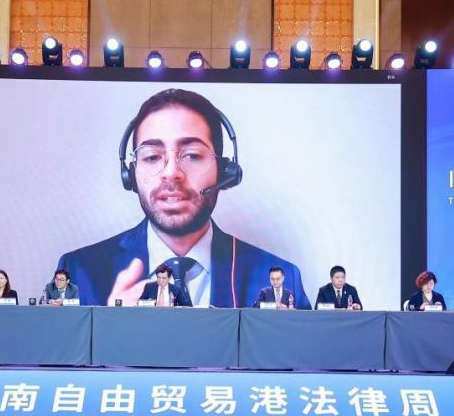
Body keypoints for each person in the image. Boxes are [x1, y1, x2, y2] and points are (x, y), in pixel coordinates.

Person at [56, 88, 310, 309]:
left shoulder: (279, 277)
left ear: (224, 171)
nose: (171, 173)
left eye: (192, 155)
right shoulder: (78, 271)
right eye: (152, 157)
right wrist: (107, 328)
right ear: (130, 174)